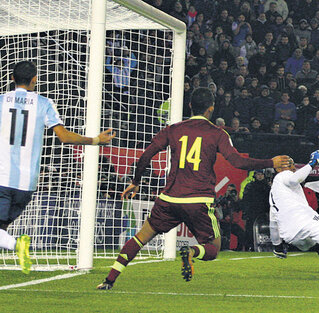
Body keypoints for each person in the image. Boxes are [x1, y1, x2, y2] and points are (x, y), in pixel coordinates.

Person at [97, 87, 289, 289]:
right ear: (211, 109)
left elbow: (145, 156)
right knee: (213, 248)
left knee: (140, 238)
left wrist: (135, 182)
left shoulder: (173, 129)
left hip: (169, 199)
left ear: (190, 106)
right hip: (198, 201)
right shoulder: (218, 133)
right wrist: (270, 162)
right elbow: (238, 162)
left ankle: (109, 280)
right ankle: (191, 252)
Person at [0, 61, 115, 274]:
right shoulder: (44, 103)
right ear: (35, 79)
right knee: (1, 228)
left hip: (1, 178)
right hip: (27, 184)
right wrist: (95, 140)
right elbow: (63, 136)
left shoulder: (0, 102)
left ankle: (18, 245)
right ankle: (14, 244)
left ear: (12, 79)